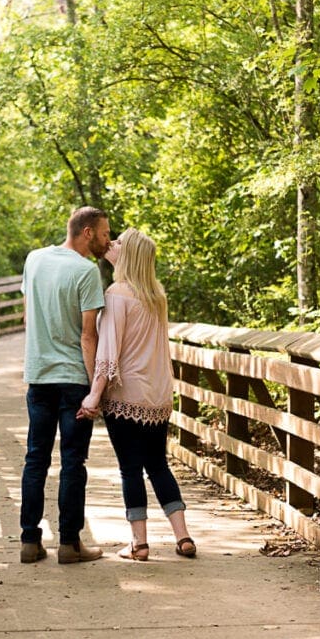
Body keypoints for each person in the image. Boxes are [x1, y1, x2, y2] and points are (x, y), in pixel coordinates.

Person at [78, 228, 196, 561]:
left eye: (117, 244)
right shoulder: (156, 294)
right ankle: (183, 536)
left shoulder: (117, 294)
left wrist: (94, 394)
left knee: (130, 469)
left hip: (126, 394)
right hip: (156, 395)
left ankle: (139, 543)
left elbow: (108, 351)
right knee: (158, 465)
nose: (110, 246)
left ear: (128, 256)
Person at [19, 206, 111, 564]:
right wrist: (94, 389)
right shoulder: (87, 272)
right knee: (73, 461)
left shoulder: (34, 260)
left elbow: (29, 317)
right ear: (87, 232)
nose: (107, 240)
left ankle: (29, 541)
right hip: (73, 379)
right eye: (104, 234)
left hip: (39, 377)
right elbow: (89, 337)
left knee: (35, 459)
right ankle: (70, 545)